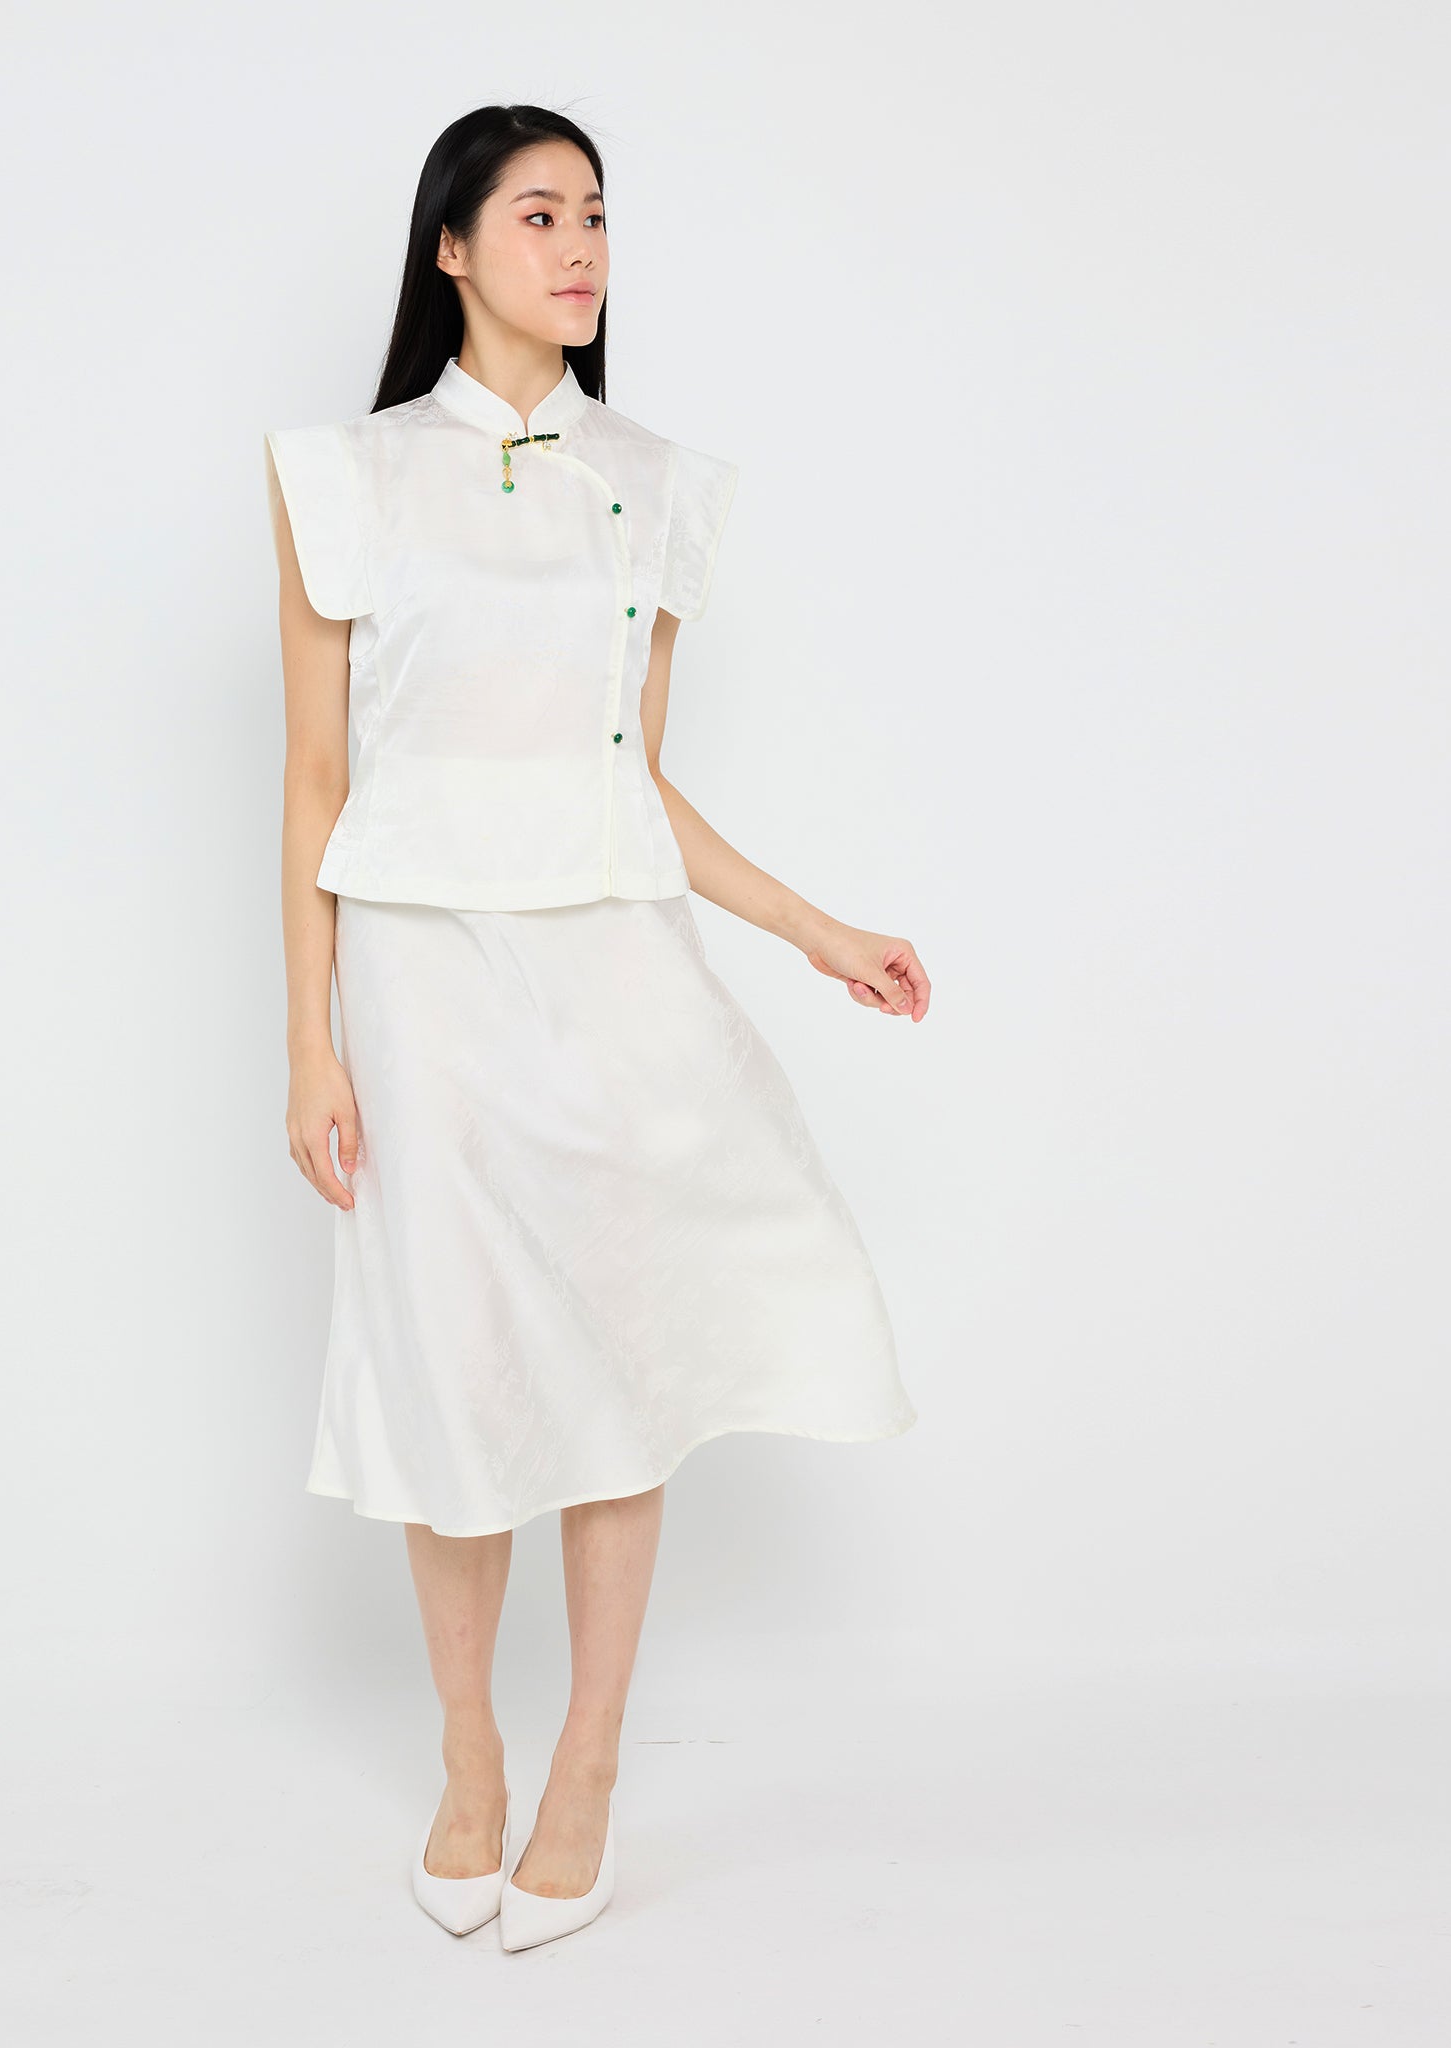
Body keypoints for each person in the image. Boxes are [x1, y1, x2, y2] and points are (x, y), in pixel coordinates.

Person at [264, 103, 930, 1953]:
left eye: (599, 217)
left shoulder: (653, 481)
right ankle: (468, 1755)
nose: (579, 248)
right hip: (421, 977)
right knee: (451, 1359)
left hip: (615, 969)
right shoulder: (343, 476)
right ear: (451, 248)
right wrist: (310, 1041)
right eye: (539, 214)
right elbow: (315, 778)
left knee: (622, 1360)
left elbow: (629, 777)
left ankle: (589, 1768)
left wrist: (816, 930)